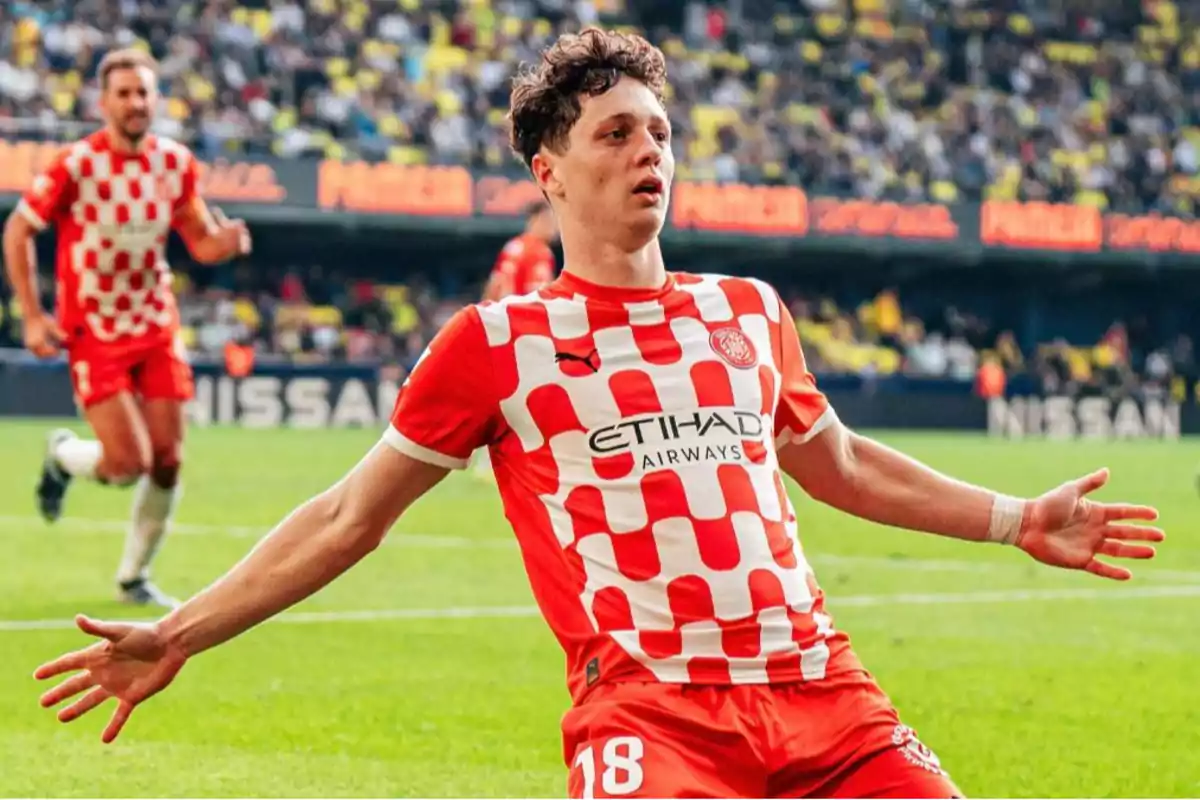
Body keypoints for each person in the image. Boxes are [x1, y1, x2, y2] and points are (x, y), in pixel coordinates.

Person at [33, 30, 1163, 799]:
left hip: (829, 700)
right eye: (615, 134)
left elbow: (843, 464)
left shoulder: (748, 311)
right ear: (548, 171)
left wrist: (1016, 517)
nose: (648, 153)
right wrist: (180, 632)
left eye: (659, 133)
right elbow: (345, 519)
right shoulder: (496, 345)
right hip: (651, 719)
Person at [2, 48, 251, 608]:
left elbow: (201, 240)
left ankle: (133, 577)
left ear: (155, 99)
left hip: (156, 324)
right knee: (125, 463)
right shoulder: (76, 165)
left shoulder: (174, 163)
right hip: (94, 329)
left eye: (143, 92)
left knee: (168, 460)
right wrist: (34, 316)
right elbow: (18, 231)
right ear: (103, 101)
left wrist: (227, 241)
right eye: (124, 94)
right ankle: (64, 455)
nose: (136, 103)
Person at [473, 199, 560, 478]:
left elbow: (495, 287)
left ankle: (485, 458)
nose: (556, 228)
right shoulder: (539, 252)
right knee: (535, 397)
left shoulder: (513, 247)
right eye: (552, 221)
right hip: (525, 334)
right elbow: (539, 298)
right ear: (538, 220)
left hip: (500, 328)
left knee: (500, 397)